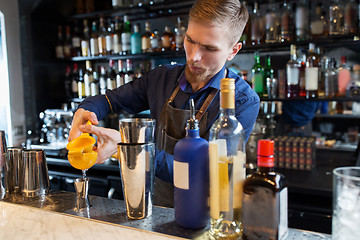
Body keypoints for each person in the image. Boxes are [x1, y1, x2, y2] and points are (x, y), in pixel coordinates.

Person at [68, 0, 260, 207]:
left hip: (207, 220)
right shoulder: (161, 79)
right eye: (190, 40)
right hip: (157, 209)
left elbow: (206, 173)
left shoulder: (242, 101)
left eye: (209, 48)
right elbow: (109, 100)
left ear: (233, 50)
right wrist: (85, 110)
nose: (194, 56)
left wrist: (129, 148)